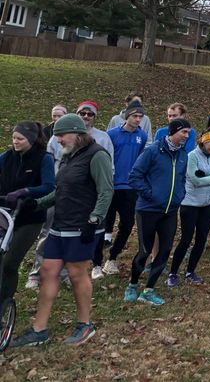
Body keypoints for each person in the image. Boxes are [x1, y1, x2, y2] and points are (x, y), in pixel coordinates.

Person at [11, 113, 113, 348]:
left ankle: (85, 324)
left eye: (61, 135)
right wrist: (37, 204)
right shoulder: (68, 158)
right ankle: (39, 330)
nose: (57, 140)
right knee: (48, 271)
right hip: (59, 225)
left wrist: (94, 219)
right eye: (55, 135)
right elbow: (60, 191)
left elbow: (106, 190)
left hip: (82, 226)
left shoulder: (97, 155)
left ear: (78, 134)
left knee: (77, 274)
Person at [124, 117, 190, 306]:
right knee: (145, 250)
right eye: (183, 132)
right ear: (173, 132)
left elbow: (182, 179)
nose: (187, 135)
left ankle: (149, 290)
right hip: (148, 210)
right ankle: (132, 284)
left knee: (165, 249)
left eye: (188, 132)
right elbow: (135, 176)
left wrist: (179, 195)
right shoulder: (153, 151)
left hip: (170, 210)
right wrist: (150, 194)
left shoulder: (183, 155)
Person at [0, 122, 55, 305]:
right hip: (5, 215)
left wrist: (26, 192)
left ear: (31, 140)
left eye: (20, 139)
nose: (15, 142)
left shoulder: (43, 158)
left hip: (30, 217)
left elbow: (49, 186)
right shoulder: (6, 157)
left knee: (9, 263)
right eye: (14, 138)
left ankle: (4, 304)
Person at [167, 130, 210, 287]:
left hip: (207, 204)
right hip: (190, 203)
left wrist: (209, 178)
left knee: (201, 239)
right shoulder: (192, 156)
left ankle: (190, 271)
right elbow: (194, 179)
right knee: (186, 239)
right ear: (203, 141)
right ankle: (173, 273)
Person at [99, 104, 148, 279]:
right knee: (104, 224)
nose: (137, 119)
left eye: (140, 117)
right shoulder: (111, 135)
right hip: (111, 186)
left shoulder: (141, 135)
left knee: (127, 224)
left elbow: (141, 158)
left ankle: (112, 257)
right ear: (126, 117)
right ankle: (96, 262)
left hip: (130, 188)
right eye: (134, 116)